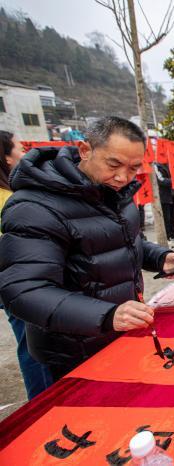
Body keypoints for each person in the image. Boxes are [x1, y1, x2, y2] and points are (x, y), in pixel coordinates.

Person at [0, 117, 174, 383]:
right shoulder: (35, 206)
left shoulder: (114, 191)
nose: (123, 177)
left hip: (115, 335)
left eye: (133, 168)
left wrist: (158, 257)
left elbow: (119, 240)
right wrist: (107, 315)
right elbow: (24, 290)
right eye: (114, 165)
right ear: (85, 150)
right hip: (69, 350)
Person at [0, 131, 54, 399]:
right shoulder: (8, 200)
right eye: (20, 149)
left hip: (16, 282)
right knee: (35, 347)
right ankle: (43, 403)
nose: (25, 154)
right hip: (22, 284)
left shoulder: (11, 194)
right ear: (6, 158)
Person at [155, 161, 174, 242]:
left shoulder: (170, 163)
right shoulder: (156, 166)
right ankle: (167, 237)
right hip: (164, 197)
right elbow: (161, 180)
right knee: (166, 218)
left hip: (173, 195)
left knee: (172, 217)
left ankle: (173, 235)